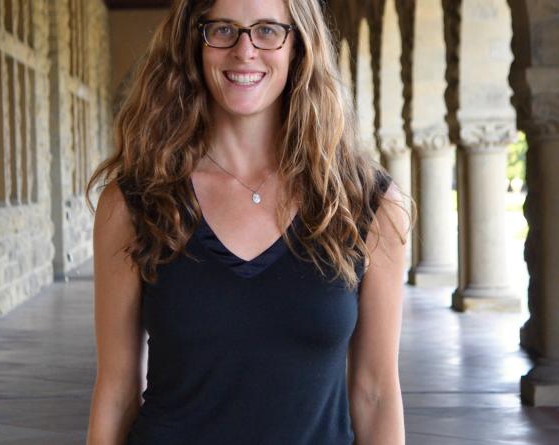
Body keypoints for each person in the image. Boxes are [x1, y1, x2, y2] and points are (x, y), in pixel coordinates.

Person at [86, 0, 412, 443]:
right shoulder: (134, 204)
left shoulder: (364, 204)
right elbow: (117, 392)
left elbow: (376, 394)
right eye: (223, 29)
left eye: (267, 31)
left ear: (300, 45)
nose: (244, 50)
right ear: (194, 44)